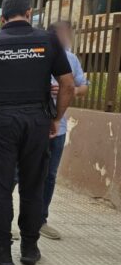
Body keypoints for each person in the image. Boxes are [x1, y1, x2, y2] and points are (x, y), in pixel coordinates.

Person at [0, 0, 74, 265]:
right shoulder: (48, 41)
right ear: (30, 12)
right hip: (37, 120)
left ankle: (1, 250)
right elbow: (68, 85)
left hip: (2, 122)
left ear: (2, 17)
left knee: (0, 186)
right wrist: (55, 118)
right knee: (34, 184)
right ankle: (30, 248)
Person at [39, 21, 88, 240]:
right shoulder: (37, 54)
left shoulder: (71, 58)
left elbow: (83, 87)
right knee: (18, 172)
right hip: (34, 123)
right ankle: (1, 217)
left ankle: (41, 220)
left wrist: (71, 89)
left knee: (49, 176)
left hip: (58, 126)